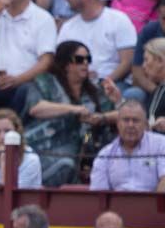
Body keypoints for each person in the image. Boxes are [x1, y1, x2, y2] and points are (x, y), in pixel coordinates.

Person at [23, 40, 119, 185]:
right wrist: (74, 109)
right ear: (66, 63)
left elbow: (119, 116)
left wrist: (115, 102)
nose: (85, 63)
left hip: (83, 146)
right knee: (66, 164)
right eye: (80, 59)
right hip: (44, 146)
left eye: (88, 59)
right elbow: (36, 108)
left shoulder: (95, 90)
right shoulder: (46, 82)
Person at [56, 0, 136, 86]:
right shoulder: (68, 27)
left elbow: (127, 62)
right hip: (77, 85)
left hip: (113, 83)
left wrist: (104, 83)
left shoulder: (119, 20)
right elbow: (60, 62)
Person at [89, 99, 165, 190]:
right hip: (117, 203)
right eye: (126, 120)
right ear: (118, 124)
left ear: (145, 124)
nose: (130, 125)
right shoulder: (105, 154)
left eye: (135, 120)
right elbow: (99, 193)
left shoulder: (161, 144)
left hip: (153, 202)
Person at [0, 108, 43, 186]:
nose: (2, 136)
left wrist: (4, 162)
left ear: (17, 131)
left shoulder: (31, 159)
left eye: (7, 131)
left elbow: (14, 194)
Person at [130, 1, 165, 106]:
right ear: (158, 15)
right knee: (133, 94)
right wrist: (158, 92)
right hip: (152, 88)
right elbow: (137, 70)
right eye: (164, 18)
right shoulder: (150, 30)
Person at [142, 37, 165, 128]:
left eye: (146, 60)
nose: (143, 66)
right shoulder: (159, 89)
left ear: (160, 61)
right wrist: (118, 100)